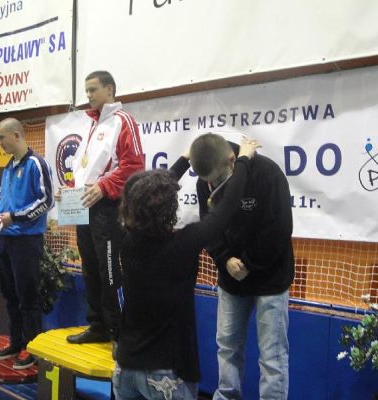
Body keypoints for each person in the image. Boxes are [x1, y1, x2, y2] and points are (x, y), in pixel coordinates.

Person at [113, 137, 260, 400]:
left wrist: (183, 160)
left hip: (125, 367)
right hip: (165, 373)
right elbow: (227, 207)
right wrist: (244, 161)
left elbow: (147, 196)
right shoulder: (182, 244)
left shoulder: (128, 240)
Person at [186, 133, 294, 400]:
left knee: (272, 357)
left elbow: (279, 228)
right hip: (231, 278)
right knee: (227, 347)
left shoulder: (267, 173)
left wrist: (248, 262)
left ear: (232, 160)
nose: (212, 185)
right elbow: (208, 226)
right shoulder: (206, 179)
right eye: (207, 181)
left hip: (271, 278)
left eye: (217, 179)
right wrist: (224, 259)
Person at [60, 70, 144, 344]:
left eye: (93, 89)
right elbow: (85, 170)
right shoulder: (92, 125)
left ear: (110, 90)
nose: (88, 95)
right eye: (86, 90)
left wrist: (103, 187)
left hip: (108, 208)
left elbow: (134, 167)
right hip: (85, 206)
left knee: (110, 271)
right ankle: (98, 326)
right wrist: (70, 191)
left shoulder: (122, 121)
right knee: (90, 268)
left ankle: (121, 333)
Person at [0, 118, 54, 369]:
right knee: (10, 294)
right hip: (6, 239)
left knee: (28, 297)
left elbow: (46, 201)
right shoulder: (8, 166)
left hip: (27, 241)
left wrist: (15, 217)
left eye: (1, 138)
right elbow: (7, 202)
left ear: (16, 135)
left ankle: (33, 349)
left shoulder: (36, 163)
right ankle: (16, 343)